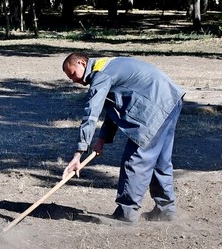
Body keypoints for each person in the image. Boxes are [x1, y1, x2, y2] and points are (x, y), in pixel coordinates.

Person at [61, 52, 185, 223]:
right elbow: (115, 107)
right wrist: (101, 140)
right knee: (160, 161)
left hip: (155, 106)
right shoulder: (106, 67)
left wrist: (78, 153)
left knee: (135, 160)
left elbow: (91, 114)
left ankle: (126, 215)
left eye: (73, 73)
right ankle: (165, 211)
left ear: (82, 62)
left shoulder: (101, 75)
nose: (73, 80)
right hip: (170, 99)